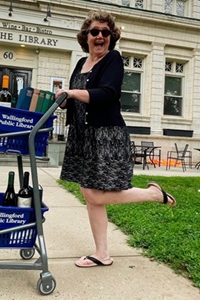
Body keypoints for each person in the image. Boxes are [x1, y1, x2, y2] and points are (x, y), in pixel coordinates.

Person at [55, 10, 176, 268]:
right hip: (82, 136)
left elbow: (106, 94)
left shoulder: (113, 60)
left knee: (96, 194)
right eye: (94, 32)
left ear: (111, 37)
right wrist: (64, 99)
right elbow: (76, 98)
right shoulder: (80, 63)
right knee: (90, 195)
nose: (100, 36)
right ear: (85, 36)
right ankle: (102, 253)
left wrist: (74, 92)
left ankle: (153, 195)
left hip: (106, 135)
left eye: (105, 32)